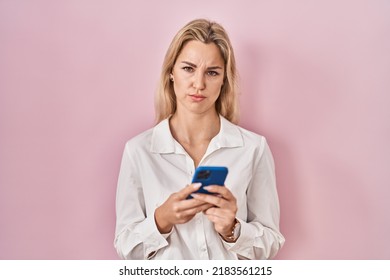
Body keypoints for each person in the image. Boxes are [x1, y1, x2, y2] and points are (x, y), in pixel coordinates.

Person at [114, 18, 285, 260]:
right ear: (171, 72)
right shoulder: (139, 151)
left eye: (212, 72)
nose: (199, 84)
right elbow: (125, 246)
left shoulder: (253, 148)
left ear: (223, 79)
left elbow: (271, 240)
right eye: (188, 68)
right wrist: (161, 219)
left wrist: (232, 229)